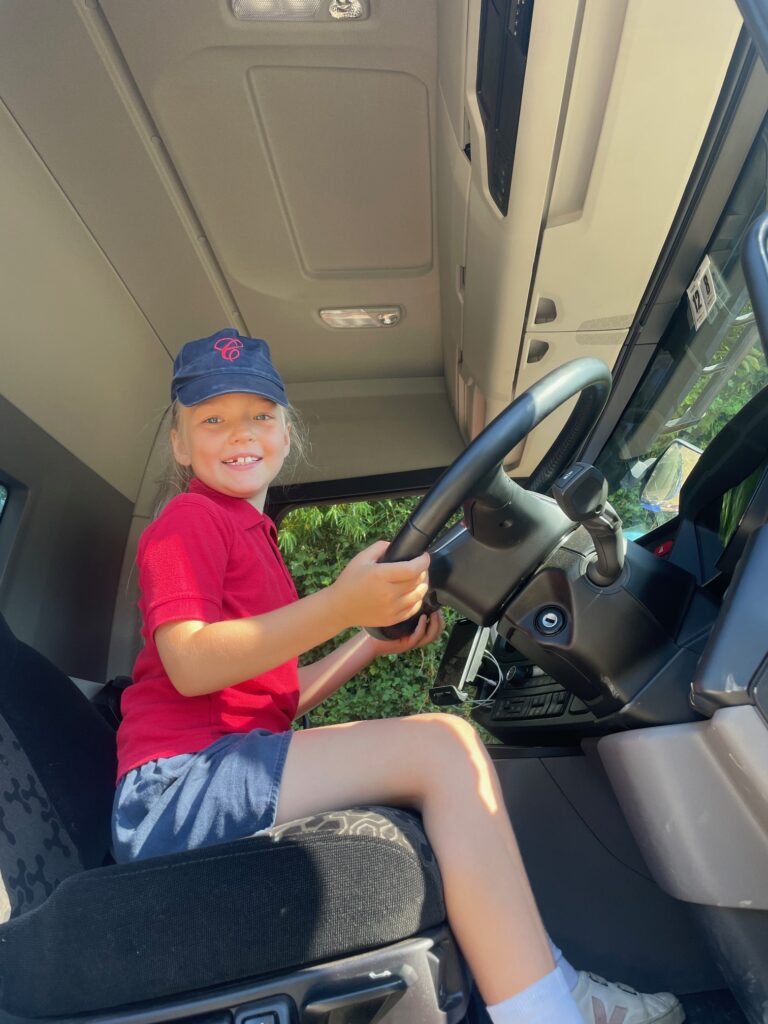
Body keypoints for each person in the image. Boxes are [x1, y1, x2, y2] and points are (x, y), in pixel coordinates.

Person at [113, 329, 685, 1024]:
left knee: (445, 745)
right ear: (179, 443)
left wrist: (365, 643)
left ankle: (551, 982)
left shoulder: (249, 534)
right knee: (443, 746)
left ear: (285, 430)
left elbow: (278, 700)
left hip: (224, 768)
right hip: (172, 793)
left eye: (260, 414)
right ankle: (548, 1012)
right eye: (212, 419)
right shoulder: (188, 520)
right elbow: (190, 660)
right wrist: (339, 603)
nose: (241, 433)